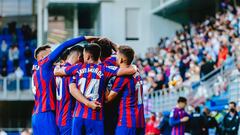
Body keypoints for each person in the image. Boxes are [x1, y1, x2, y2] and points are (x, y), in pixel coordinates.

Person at [55, 44, 137, 135]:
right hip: (95, 115)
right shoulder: (105, 69)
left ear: (88, 56)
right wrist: (134, 67)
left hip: (78, 115)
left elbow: (58, 74)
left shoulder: (77, 68)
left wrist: (58, 66)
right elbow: (129, 70)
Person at [31, 36, 96, 135]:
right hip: (46, 114)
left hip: (37, 115)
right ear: (41, 58)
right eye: (50, 52)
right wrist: (84, 38)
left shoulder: (40, 70)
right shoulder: (46, 65)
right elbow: (64, 45)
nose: (54, 55)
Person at [105, 46, 145, 135]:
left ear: (121, 60)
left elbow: (108, 99)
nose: (115, 58)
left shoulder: (122, 77)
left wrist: (103, 82)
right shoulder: (136, 71)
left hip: (127, 121)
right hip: (140, 120)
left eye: (117, 56)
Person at [55, 46, 83, 135]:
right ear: (79, 57)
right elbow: (73, 90)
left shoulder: (58, 69)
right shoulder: (72, 71)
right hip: (68, 118)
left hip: (57, 118)